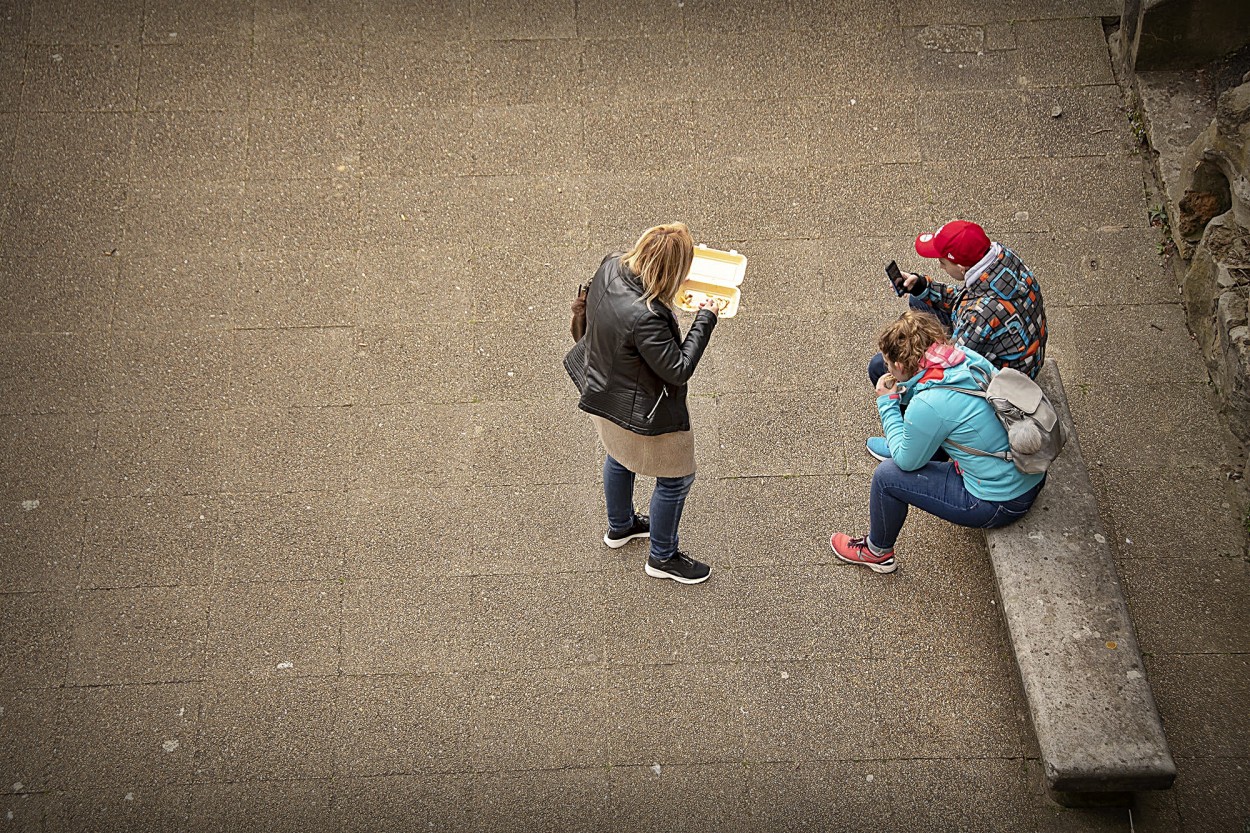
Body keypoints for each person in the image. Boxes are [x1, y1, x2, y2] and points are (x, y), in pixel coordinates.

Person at [832, 310, 1046, 574]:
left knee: (887, 477)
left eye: (890, 364)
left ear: (900, 367)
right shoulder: (962, 357)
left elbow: (906, 463)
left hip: (1000, 501)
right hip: (1025, 468)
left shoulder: (928, 406)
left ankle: (877, 552)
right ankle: (914, 441)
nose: (887, 368)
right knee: (876, 367)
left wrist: (887, 404)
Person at [577, 222, 723, 585]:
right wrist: (706, 317)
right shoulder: (647, 316)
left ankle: (621, 526)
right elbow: (677, 369)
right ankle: (662, 556)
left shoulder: (611, 264)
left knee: (618, 456)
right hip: (641, 409)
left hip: (602, 392)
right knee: (676, 479)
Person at [865, 219, 1047, 461]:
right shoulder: (1000, 257)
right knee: (919, 302)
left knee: (882, 365)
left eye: (942, 261)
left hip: (1004, 386)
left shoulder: (979, 316)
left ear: (961, 266)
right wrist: (921, 286)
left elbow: (948, 370)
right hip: (1015, 348)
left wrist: (894, 394)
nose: (939, 266)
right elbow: (966, 299)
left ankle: (924, 444)